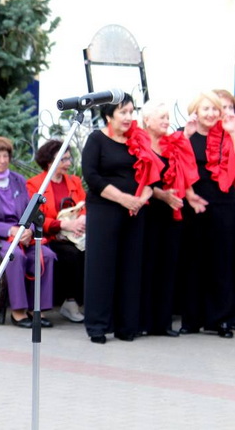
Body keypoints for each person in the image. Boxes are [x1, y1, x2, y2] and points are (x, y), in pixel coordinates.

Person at [82, 93, 162, 344]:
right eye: (123, 112)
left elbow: (154, 176)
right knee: (101, 267)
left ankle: (127, 326)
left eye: (131, 111)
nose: (129, 117)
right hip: (105, 210)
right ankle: (97, 326)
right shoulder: (97, 140)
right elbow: (92, 177)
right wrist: (123, 198)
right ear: (108, 116)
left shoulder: (138, 140)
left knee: (131, 267)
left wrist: (141, 198)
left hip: (135, 211)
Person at [0, 136, 56, 328]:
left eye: (6, 156)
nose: (3, 161)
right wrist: (10, 230)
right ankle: (18, 312)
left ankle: (36, 310)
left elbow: (29, 211)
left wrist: (29, 230)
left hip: (22, 235)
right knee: (14, 255)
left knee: (46, 254)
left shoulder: (18, 180)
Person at [139, 101, 205, 337]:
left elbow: (186, 170)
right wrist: (162, 195)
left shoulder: (173, 142)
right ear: (147, 120)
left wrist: (189, 197)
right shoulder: (139, 143)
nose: (167, 121)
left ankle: (163, 322)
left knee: (168, 267)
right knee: (147, 267)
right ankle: (144, 321)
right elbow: (143, 180)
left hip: (172, 211)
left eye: (167, 117)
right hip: (148, 210)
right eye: (162, 117)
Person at [179, 91, 235, 338]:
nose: (211, 114)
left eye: (215, 109)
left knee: (221, 263)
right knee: (193, 261)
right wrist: (185, 135)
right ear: (196, 111)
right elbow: (176, 164)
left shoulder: (227, 133)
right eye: (206, 109)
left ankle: (221, 320)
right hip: (194, 203)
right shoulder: (186, 133)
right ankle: (191, 319)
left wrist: (232, 132)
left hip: (224, 203)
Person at [25, 139, 86, 323]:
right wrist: (62, 225)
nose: (68, 163)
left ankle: (88, 302)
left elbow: (84, 205)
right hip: (49, 236)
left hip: (76, 234)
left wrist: (82, 218)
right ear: (50, 162)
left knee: (93, 252)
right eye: (64, 160)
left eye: (69, 159)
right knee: (72, 255)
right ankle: (70, 302)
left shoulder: (74, 181)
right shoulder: (35, 185)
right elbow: (36, 216)